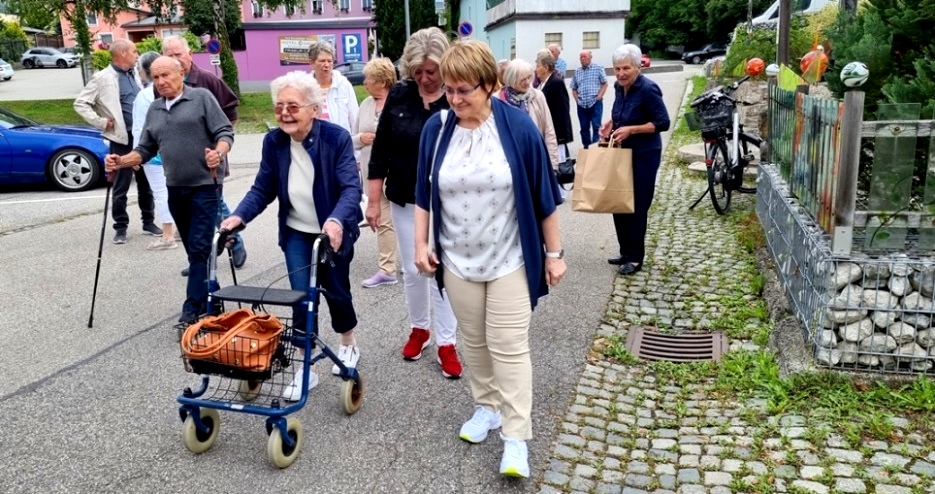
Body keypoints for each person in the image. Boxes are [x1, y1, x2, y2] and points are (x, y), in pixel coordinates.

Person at [414, 39, 566, 479]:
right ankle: (487, 408)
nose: (455, 99)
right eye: (449, 90)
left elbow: (544, 198)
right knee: (474, 342)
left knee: (509, 345)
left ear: (489, 84)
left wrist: (554, 255)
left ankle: (516, 436)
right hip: (458, 258)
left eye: (465, 90)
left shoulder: (517, 128)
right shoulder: (437, 129)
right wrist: (422, 244)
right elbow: (425, 193)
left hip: (510, 257)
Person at [220, 71, 362, 401]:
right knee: (301, 298)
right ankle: (306, 364)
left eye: (293, 106)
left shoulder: (336, 139)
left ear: (314, 108)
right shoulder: (274, 142)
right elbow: (262, 188)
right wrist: (237, 217)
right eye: (280, 105)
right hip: (298, 232)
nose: (285, 112)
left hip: (331, 232)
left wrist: (337, 221)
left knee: (337, 291)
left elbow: (350, 188)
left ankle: (348, 344)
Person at [104, 56, 234, 324]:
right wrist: (122, 161)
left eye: (166, 75)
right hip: (175, 186)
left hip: (205, 186)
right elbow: (145, 149)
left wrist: (218, 154)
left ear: (181, 73)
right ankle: (213, 296)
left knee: (199, 248)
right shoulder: (154, 109)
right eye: (155, 77)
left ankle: (192, 308)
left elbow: (225, 132)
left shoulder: (201, 98)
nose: (161, 82)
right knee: (192, 248)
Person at [367, 26, 462, 378]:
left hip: (446, 202)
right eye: (418, 71)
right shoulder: (401, 95)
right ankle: (420, 328)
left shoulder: (455, 96)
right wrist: (373, 201)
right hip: (406, 198)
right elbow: (381, 150)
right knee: (412, 268)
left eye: (431, 71)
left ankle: (447, 341)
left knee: (442, 270)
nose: (424, 78)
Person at [161, 35, 247, 270]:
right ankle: (200, 258)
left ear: (190, 54)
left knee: (215, 205)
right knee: (190, 213)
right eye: (169, 55)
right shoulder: (164, 84)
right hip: (180, 166)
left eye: (178, 54)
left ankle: (234, 241)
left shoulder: (207, 80)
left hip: (209, 162)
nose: (174, 59)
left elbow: (231, 111)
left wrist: (221, 139)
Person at [74, 39, 160, 244]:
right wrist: (101, 122)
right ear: (122, 53)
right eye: (133, 51)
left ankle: (148, 221)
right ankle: (120, 227)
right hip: (121, 138)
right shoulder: (103, 77)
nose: (136, 54)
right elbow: (80, 103)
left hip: (142, 137)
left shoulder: (137, 75)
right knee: (121, 185)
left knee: (145, 182)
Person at [599, 44, 670, 276]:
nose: (620, 73)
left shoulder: (648, 89)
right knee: (618, 203)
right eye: (617, 68)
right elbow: (621, 111)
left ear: (638, 66)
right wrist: (612, 123)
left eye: (626, 68)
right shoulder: (620, 88)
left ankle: (636, 257)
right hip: (621, 153)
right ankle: (625, 251)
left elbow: (662, 123)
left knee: (637, 206)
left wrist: (632, 129)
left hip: (644, 155)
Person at [354, 57, 399, 288]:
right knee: (384, 221)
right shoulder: (365, 105)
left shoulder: (398, 102)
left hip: (398, 173)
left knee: (405, 220)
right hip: (374, 174)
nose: (364, 82)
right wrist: (361, 139)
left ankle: (397, 265)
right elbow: (351, 139)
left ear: (381, 81)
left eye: (369, 78)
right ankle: (387, 268)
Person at [132, 51, 177, 251]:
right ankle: (178, 229)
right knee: (176, 192)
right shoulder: (175, 91)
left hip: (154, 153)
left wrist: (136, 155)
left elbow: (140, 128)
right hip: (174, 150)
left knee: (161, 193)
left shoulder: (144, 96)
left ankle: (168, 235)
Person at [498, 59, 559, 169]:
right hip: (508, 163)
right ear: (511, 79)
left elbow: (549, 131)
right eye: (522, 79)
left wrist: (553, 165)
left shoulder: (537, 96)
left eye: (529, 77)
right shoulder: (497, 99)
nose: (527, 82)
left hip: (535, 159)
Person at [307, 41, 359, 133]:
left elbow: (355, 117)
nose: (327, 65)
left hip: (340, 142)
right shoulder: (305, 87)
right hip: (313, 142)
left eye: (330, 61)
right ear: (312, 63)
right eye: (322, 61)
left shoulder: (344, 85)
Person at [534, 50, 574, 165]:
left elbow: (562, 110)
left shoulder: (556, 82)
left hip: (556, 134)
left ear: (546, 68)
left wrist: (561, 137)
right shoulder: (542, 83)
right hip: (547, 132)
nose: (536, 69)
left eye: (538, 66)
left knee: (558, 165)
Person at [570, 49, 607, 149]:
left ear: (590, 57)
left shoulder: (598, 68)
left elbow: (605, 83)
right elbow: (574, 88)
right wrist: (577, 100)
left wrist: (599, 96)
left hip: (595, 102)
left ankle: (595, 149)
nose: (582, 59)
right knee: (584, 128)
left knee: (596, 126)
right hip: (582, 104)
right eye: (581, 57)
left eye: (584, 57)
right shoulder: (577, 71)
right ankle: (586, 148)